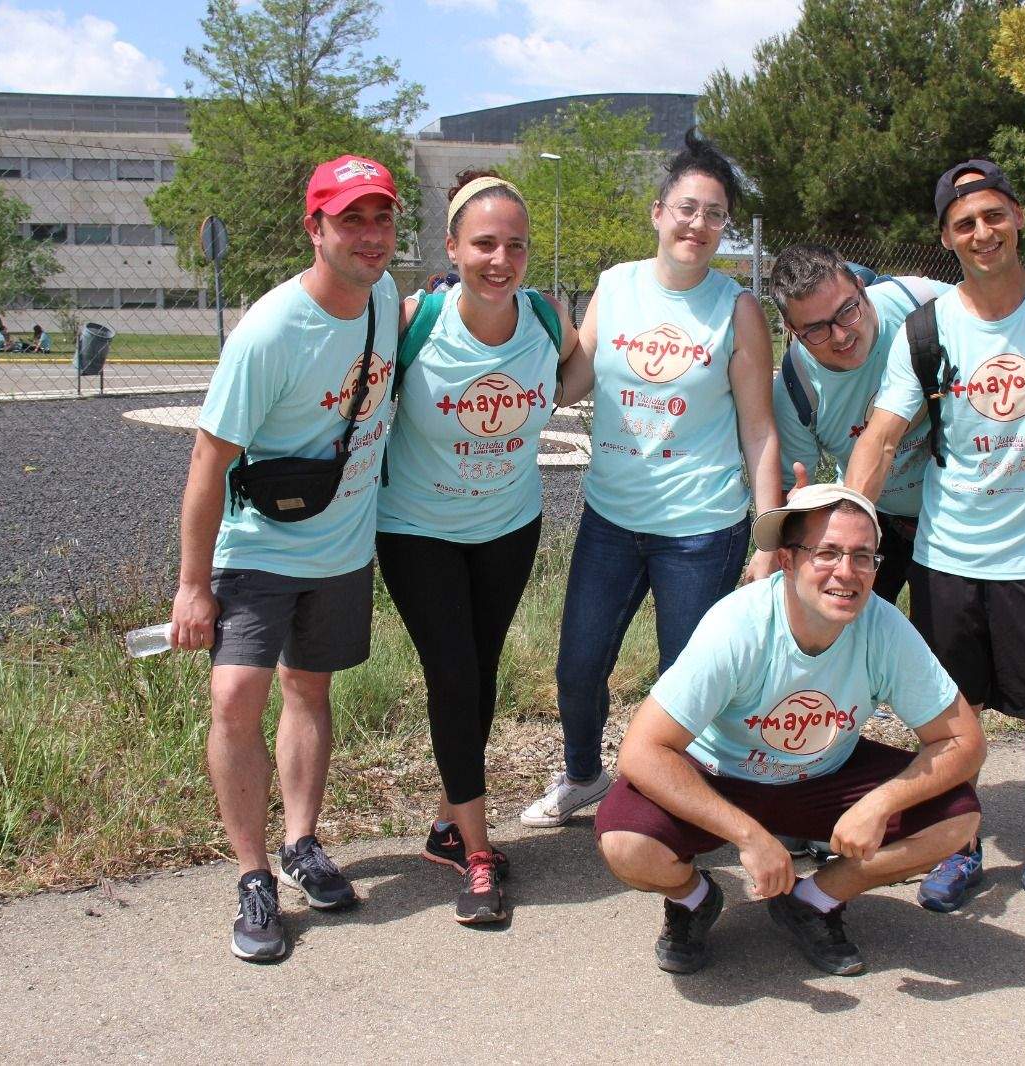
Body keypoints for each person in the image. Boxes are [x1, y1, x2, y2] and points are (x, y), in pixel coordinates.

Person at [846, 159, 1025, 927]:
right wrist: (838, 528)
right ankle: (957, 848)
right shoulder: (929, 329)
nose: (982, 233)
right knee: (951, 718)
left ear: (1019, 216)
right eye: (964, 223)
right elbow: (882, 436)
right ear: (947, 238)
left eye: (993, 215)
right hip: (949, 561)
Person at [595, 484, 984, 976]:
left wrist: (879, 804)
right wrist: (748, 836)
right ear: (786, 560)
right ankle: (693, 899)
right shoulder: (737, 627)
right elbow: (642, 751)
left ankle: (815, 899)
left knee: (957, 820)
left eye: (863, 556)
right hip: (720, 773)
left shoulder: (883, 627)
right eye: (827, 553)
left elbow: (963, 741)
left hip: (824, 773)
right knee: (626, 844)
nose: (847, 572)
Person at [168, 153, 402, 962]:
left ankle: (302, 844)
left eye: (381, 218)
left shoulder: (390, 301)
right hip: (259, 548)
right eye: (351, 220)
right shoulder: (269, 332)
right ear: (316, 228)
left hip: (342, 549)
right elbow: (208, 459)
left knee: (310, 689)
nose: (369, 236)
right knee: (235, 698)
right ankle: (253, 875)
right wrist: (193, 586)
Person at [522, 130, 782, 829]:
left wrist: (768, 540)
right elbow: (576, 380)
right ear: (658, 212)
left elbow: (759, 430)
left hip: (702, 528)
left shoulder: (738, 311)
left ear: (724, 228)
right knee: (578, 666)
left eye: (715, 213)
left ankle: (681, 804)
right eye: (687, 207)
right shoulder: (617, 285)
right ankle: (584, 775)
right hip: (612, 515)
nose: (699, 224)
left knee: (685, 679)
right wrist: (511, 380)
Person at [376, 171, 589, 926]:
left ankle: (446, 822)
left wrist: (552, 392)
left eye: (516, 245)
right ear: (453, 248)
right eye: (485, 244)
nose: (501, 259)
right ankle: (476, 852)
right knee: (453, 675)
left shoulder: (541, 313)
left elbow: (579, 365)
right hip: (416, 529)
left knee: (483, 671)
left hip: (509, 524)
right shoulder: (415, 319)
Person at [765, 243, 954, 604]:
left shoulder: (922, 303)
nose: (841, 336)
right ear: (791, 328)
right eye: (816, 329)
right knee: (843, 635)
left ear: (859, 285)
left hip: (955, 511)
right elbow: (793, 487)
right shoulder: (795, 389)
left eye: (847, 311)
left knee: (942, 646)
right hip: (873, 514)